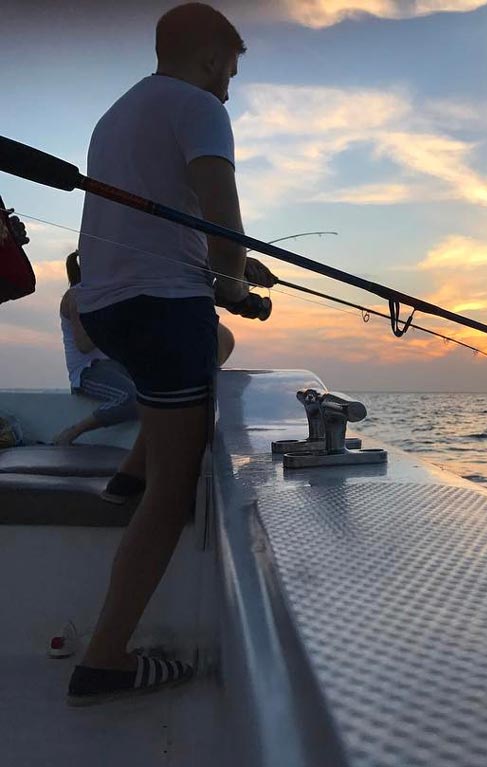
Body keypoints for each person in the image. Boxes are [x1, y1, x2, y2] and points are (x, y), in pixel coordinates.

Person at [66, 3, 274, 706]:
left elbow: (157, 218)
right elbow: (220, 216)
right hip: (161, 308)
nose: (228, 89)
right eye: (230, 73)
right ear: (214, 58)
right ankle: (105, 658)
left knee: (183, 371)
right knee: (173, 492)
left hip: (109, 304)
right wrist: (234, 280)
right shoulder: (199, 106)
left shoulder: (119, 113)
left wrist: (235, 272)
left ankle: (128, 470)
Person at [53, 250, 236, 455]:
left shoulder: (105, 295)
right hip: (88, 372)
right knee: (133, 400)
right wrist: (114, 319)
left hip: (116, 365)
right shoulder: (77, 296)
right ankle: (73, 432)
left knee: (161, 389)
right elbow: (83, 345)